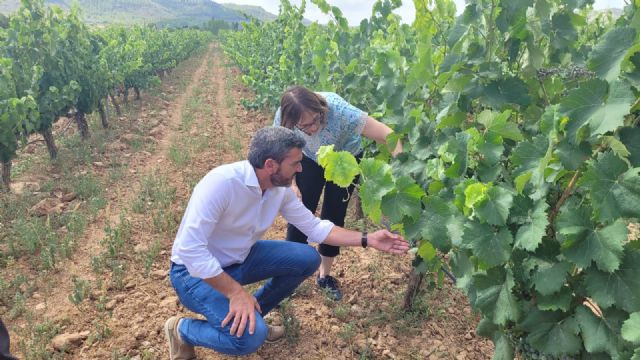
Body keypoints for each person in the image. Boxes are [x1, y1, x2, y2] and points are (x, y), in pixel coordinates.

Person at [165, 127, 409, 359]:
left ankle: (252, 315)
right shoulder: (222, 183)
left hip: (239, 258)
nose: (301, 169)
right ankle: (182, 330)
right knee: (249, 340)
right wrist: (235, 292)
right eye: (295, 163)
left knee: (307, 258)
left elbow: (315, 228)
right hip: (193, 275)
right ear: (270, 165)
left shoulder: (277, 190)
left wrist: (368, 239)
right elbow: (191, 251)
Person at [273, 86, 402, 300]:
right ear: (293, 122)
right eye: (305, 126)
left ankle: (324, 276)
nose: (313, 128)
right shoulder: (284, 119)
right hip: (309, 158)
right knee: (300, 212)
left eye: (316, 120)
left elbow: (388, 135)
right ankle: (288, 279)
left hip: (345, 157)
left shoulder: (340, 110)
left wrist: (402, 168)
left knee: (334, 214)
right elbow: (280, 153)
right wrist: (292, 184)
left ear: (320, 109)